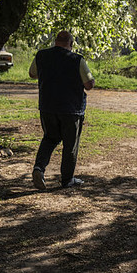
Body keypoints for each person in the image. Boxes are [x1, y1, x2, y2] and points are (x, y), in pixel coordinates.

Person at [29, 31, 95, 189]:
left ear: (55, 41)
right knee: (70, 144)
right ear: (71, 44)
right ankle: (67, 179)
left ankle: (39, 168)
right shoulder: (77, 59)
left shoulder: (41, 56)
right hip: (71, 109)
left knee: (50, 138)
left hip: (47, 107)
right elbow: (89, 85)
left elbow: (32, 74)